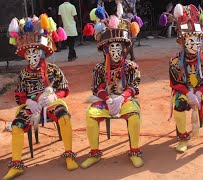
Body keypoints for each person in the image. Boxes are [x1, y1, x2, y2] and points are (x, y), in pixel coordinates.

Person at [3, 15, 78, 180]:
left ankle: (69, 154)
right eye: (29, 52)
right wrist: (28, 101)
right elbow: (19, 96)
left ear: (42, 52)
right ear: (25, 55)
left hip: (52, 104)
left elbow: (65, 88)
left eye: (35, 51)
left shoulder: (53, 69)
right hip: (31, 107)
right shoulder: (23, 73)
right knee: (16, 126)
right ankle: (16, 164)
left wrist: (54, 96)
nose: (33, 56)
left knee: (64, 117)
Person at [80, 3, 144, 168]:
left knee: (135, 114)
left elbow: (135, 85)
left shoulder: (131, 65)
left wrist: (122, 97)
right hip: (107, 101)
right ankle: (95, 153)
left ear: (124, 49)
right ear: (106, 50)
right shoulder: (99, 68)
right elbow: (97, 87)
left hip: (125, 100)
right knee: (91, 114)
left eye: (118, 47)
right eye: (112, 47)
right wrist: (108, 99)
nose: (115, 51)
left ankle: (134, 150)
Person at [169, 4, 203, 153]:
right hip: (185, 92)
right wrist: (188, 94)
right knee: (179, 103)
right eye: (190, 41)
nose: (195, 44)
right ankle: (182, 138)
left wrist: (199, 93)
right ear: (183, 42)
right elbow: (175, 83)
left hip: (202, 90)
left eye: (197, 40)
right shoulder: (175, 60)